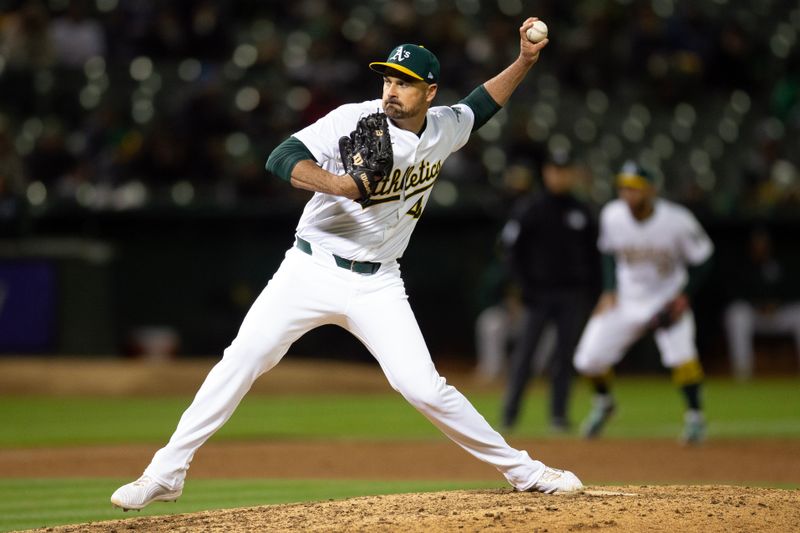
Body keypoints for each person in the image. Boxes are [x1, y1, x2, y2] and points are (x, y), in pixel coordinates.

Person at [110, 18, 583, 512]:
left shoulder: (445, 127)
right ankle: (164, 473)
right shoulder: (355, 120)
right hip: (309, 269)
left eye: (404, 82)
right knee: (242, 359)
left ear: (430, 92)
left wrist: (525, 61)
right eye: (387, 79)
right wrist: (340, 185)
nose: (392, 90)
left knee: (423, 388)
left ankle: (524, 471)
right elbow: (280, 156)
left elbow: (481, 105)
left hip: (379, 282)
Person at [572, 161, 714, 445]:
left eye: (634, 188)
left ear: (651, 189)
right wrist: (609, 290)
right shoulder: (613, 215)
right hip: (626, 299)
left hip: (666, 298)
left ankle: (695, 418)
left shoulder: (677, 219)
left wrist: (683, 296)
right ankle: (604, 403)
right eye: (623, 187)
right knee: (587, 360)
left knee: (682, 359)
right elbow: (608, 252)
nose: (628, 194)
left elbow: (703, 258)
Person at [500, 149, 599, 433]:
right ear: (546, 173)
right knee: (525, 356)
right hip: (538, 294)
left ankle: (558, 415)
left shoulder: (581, 210)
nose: (560, 175)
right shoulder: (530, 208)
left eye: (565, 170)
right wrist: (523, 286)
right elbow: (510, 251)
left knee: (564, 358)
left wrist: (592, 294)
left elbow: (594, 257)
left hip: (572, 295)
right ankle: (510, 415)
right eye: (555, 170)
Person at [724, 228, 800, 380]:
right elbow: (734, 292)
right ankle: (743, 372)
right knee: (736, 314)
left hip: (778, 314)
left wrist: (778, 303)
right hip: (754, 315)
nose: (760, 247)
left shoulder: (780, 263)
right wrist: (757, 305)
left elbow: (792, 289)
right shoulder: (743, 267)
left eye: (763, 244)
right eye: (757, 244)